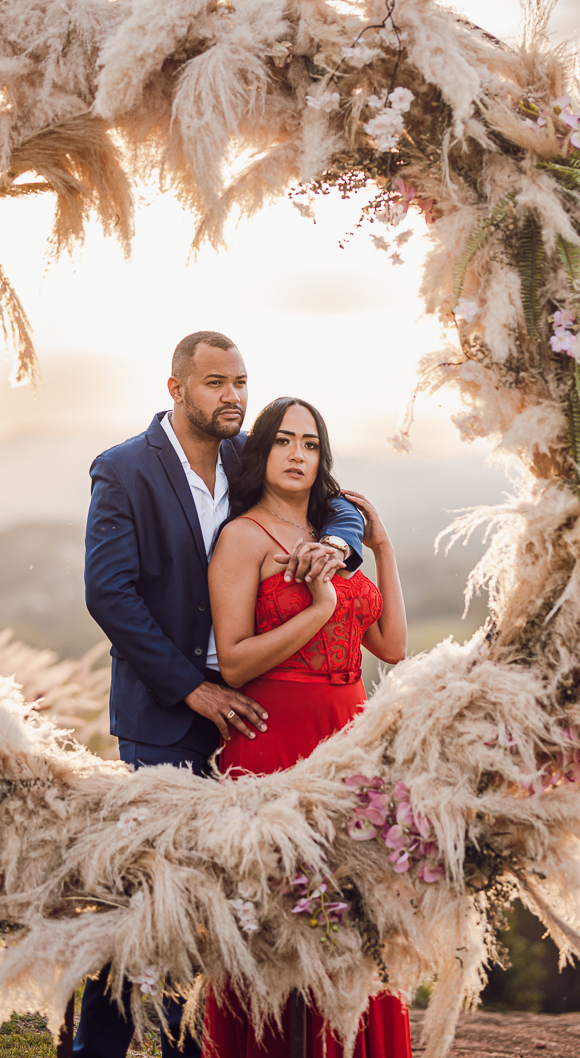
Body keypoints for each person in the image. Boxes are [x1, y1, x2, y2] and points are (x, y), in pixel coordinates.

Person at [74, 333, 365, 1058]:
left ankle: (208, 1043)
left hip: (256, 715)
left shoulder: (249, 457)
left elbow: (336, 503)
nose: (231, 395)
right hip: (167, 716)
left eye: (239, 381)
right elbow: (108, 594)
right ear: (175, 389)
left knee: (232, 897)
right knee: (155, 895)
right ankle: (99, 1046)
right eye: (213, 383)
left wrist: (343, 546)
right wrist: (192, 690)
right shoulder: (124, 470)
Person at [203, 396, 411, 1058]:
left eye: (311, 444)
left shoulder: (334, 538)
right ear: (260, 453)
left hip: (349, 741)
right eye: (284, 441)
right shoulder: (242, 538)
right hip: (275, 746)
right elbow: (232, 662)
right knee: (275, 925)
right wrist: (319, 608)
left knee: (356, 921)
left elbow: (391, 644)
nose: (297, 455)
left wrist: (379, 547)